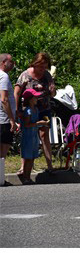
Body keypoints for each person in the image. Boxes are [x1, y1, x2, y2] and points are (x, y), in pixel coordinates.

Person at [14, 52, 56, 173]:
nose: (43, 69)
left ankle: (49, 165)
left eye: (45, 67)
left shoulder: (47, 75)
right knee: (27, 136)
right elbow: (17, 92)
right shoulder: (25, 75)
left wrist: (53, 90)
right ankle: (24, 166)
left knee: (44, 136)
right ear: (35, 64)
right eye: (40, 66)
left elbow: (53, 94)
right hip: (28, 110)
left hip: (44, 109)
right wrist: (17, 110)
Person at [19, 86, 47, 185]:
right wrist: (39, 123)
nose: (37, 99)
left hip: (34, 136)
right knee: (28, 158)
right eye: (35, 97)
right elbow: (26, 125)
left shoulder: (35, 109)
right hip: (28, 137)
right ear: (30, 99)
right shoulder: (28, 111)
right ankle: (25, 177)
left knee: (32, 157)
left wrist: (41, 123)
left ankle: (28, 176)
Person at [0, 54, 18, 186]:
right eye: (11, 61)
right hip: (3, 119)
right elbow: (4, 99)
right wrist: (12, 120)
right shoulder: (4, 76)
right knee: (3, 151)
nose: (13, 64)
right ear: (4, 62)